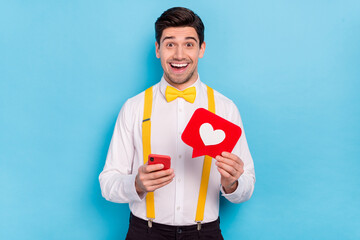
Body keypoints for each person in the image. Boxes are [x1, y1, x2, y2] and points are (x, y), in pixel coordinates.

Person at [99, 7, 255, 240]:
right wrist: (137, 184)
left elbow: (247, 184)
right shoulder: (133, 107)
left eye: (189, 44)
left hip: (205, 233)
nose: (179, 55)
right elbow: (108, 183)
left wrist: (232, 183)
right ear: (157, 50)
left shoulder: (225, 108)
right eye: (170, 44)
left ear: (201, 49)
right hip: (145, 232)